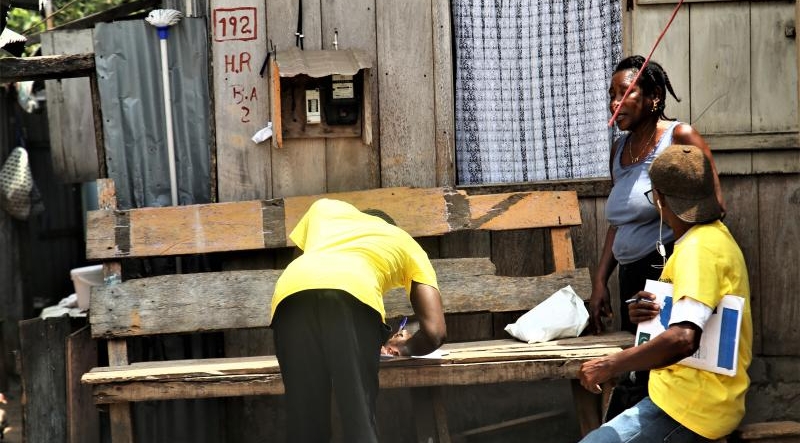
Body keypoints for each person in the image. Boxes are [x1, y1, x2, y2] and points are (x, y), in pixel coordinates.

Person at [577, 144, 752, 442]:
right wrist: (650, 316)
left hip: (692, 405)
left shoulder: (698, 250)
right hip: (688, 394)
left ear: (659, 199)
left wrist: (609, 365)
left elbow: (684, 339)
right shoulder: (712, 237)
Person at [590, 55, 726, 417]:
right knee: (635, 371)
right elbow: (619, 221)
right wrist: (601, 279)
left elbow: (712, 202)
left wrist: (677, 279)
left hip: (664, 271)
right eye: (611, 94)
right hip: (629, 274)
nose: (614, 102)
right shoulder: (619, 150)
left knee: (657, 370)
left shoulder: (679, 136)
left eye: (625, 93)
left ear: (653, 97)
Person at [270, 198, 447, 443]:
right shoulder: (405, 242)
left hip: (290, 296)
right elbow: (435, 332)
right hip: (352, 294)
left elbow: (308, 268)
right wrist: (402, 346)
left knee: (305, 426)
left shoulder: (325, 209)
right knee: (358, 421)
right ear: (390, 228)